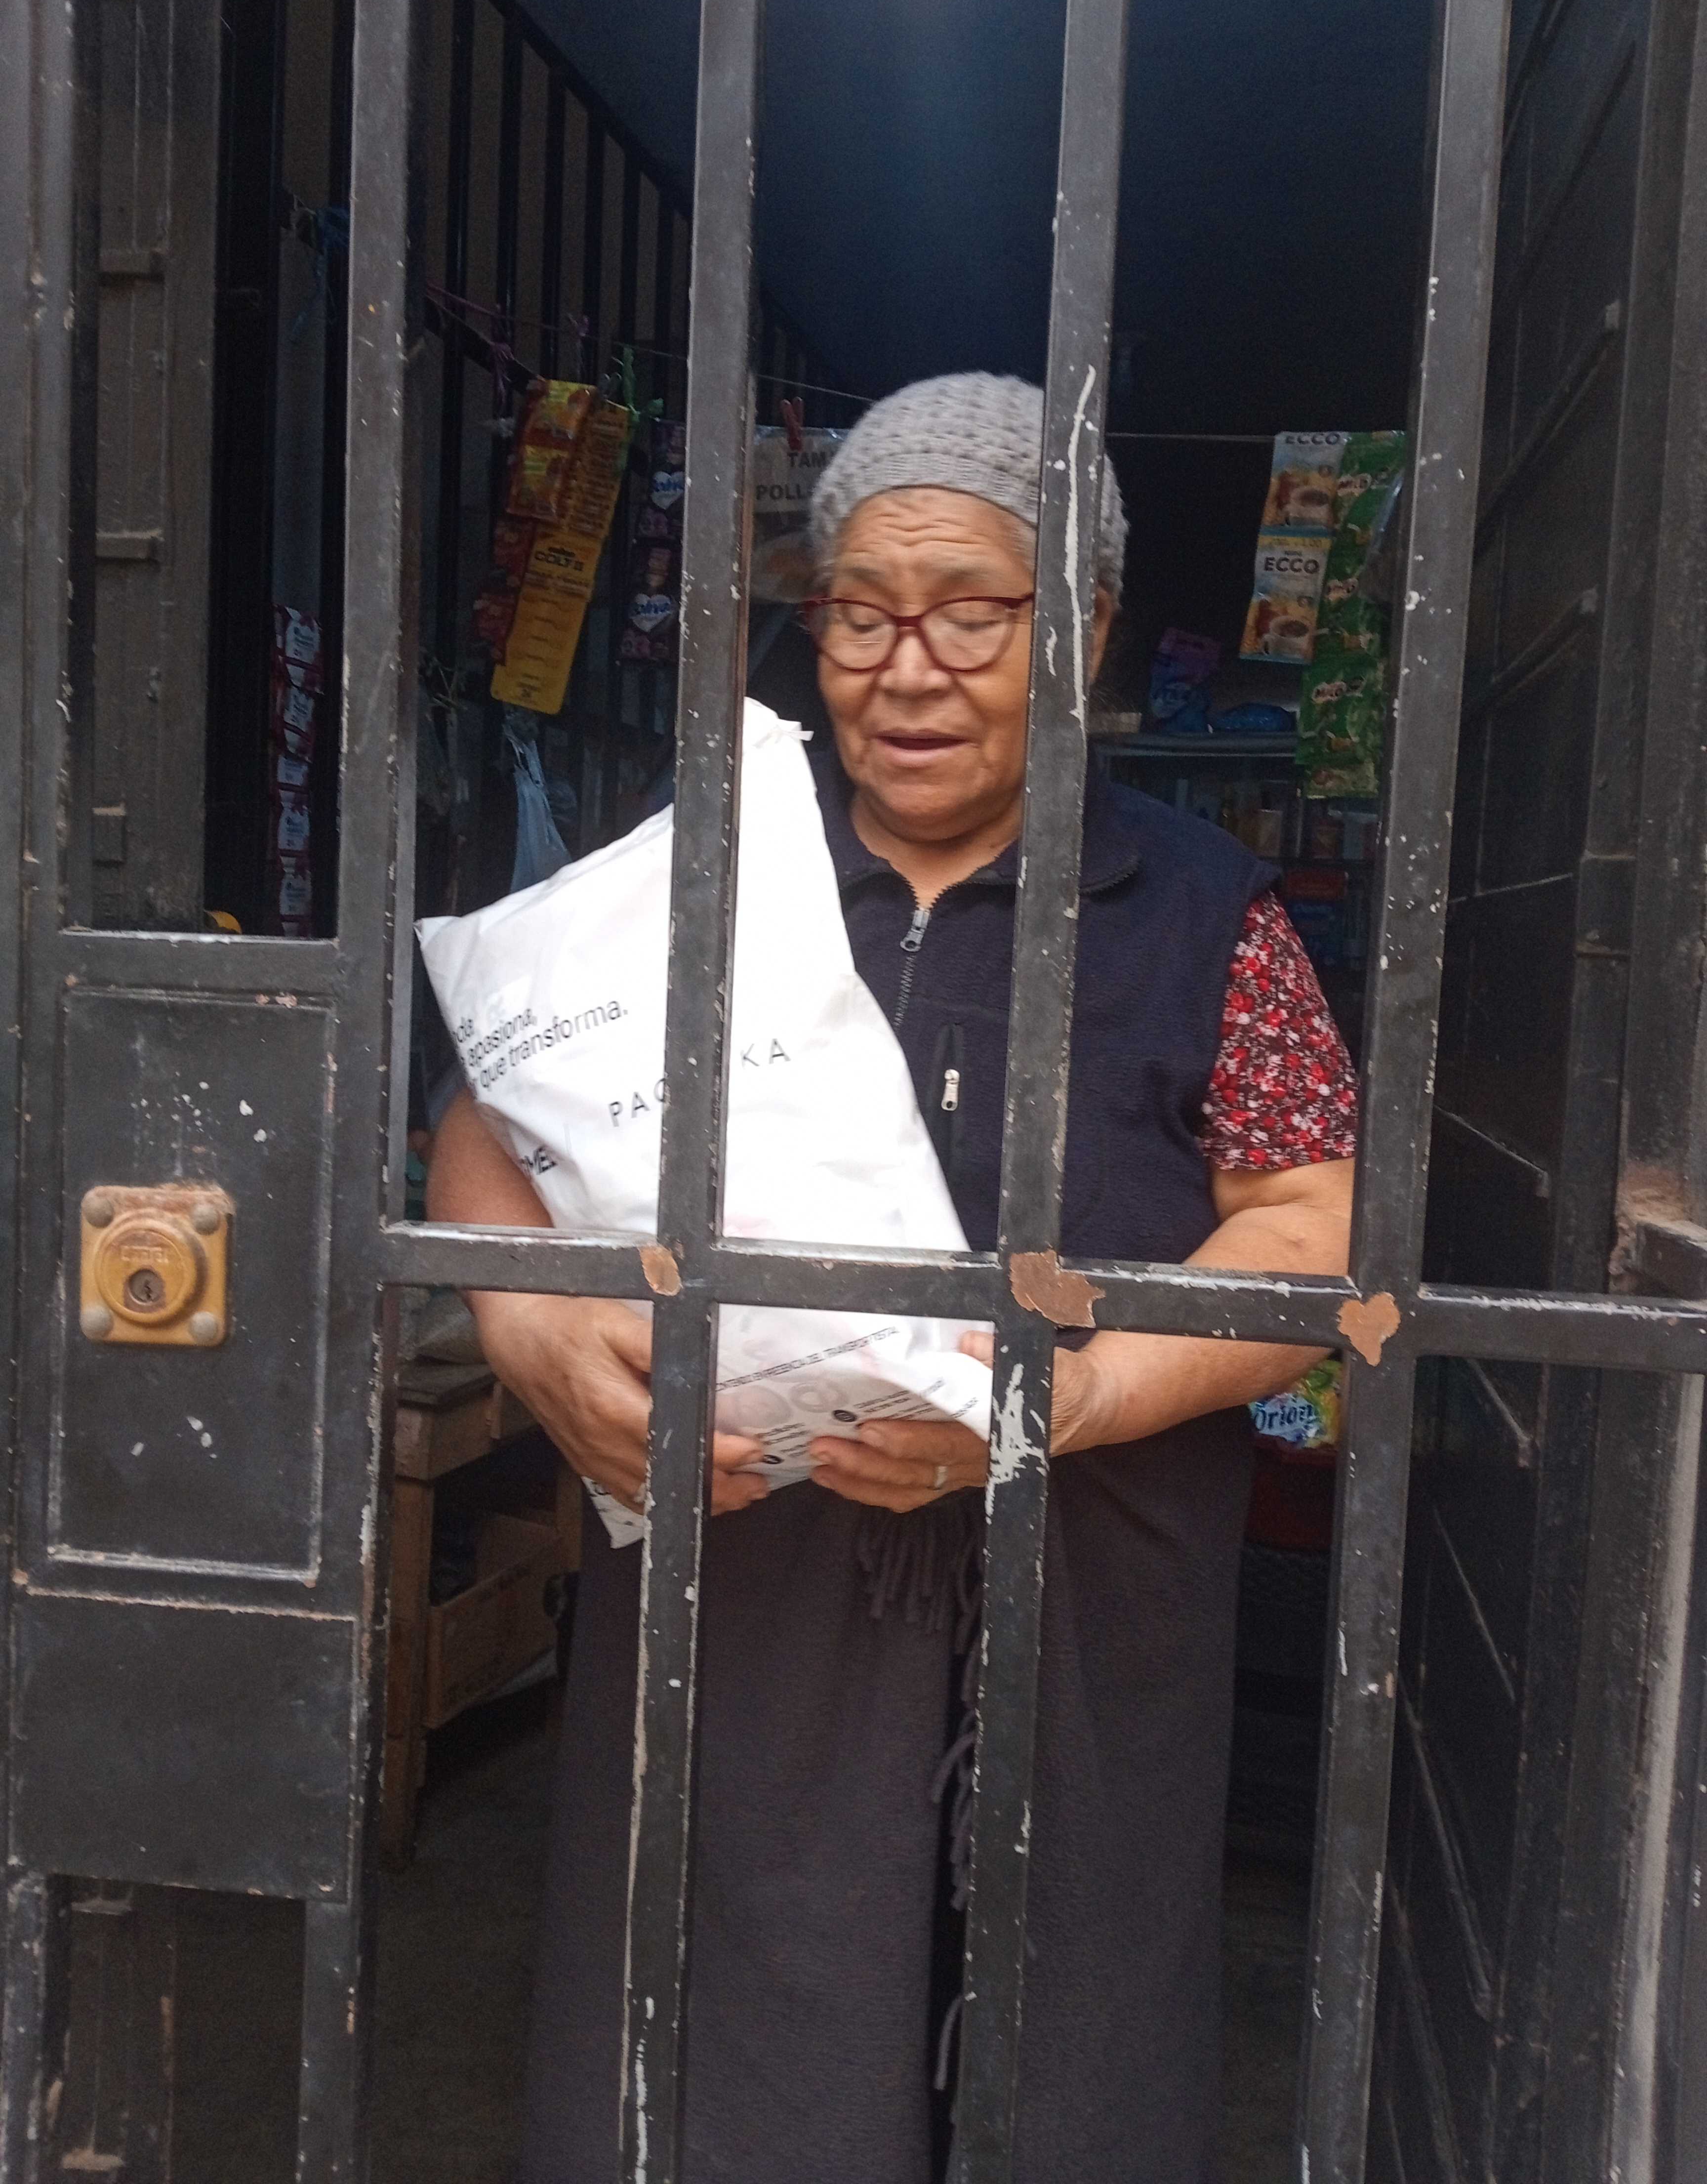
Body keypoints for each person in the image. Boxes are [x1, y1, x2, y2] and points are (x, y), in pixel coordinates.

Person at [428, 371, 1358, 2184]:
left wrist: (1064, 1396)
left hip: (1084, 1604)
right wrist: (524, 1317)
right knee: (716, 2039)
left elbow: (1307, 1232)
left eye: (971, 615)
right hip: (745, 1594)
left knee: (1053, 2036)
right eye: (859, 613)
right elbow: (487, 1117)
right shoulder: (712, 869)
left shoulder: (1205, 916)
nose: (903, 670)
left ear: (1086, 627)